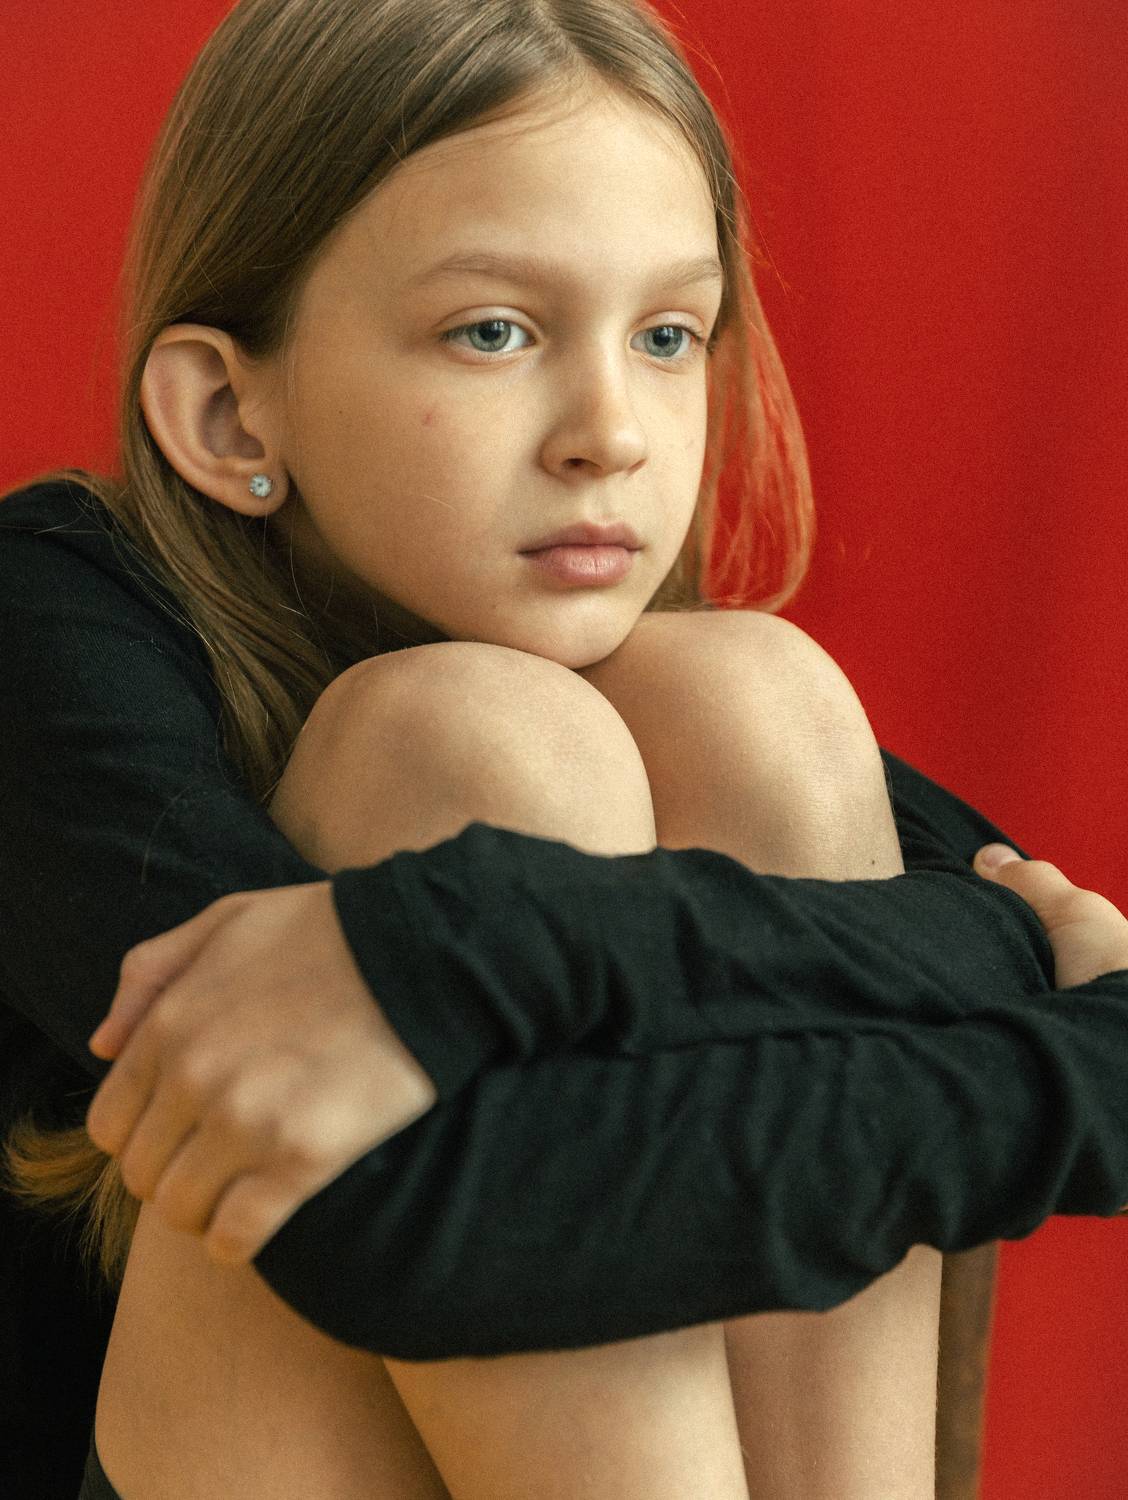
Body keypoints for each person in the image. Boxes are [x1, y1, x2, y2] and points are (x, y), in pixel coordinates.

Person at [2, 0, 1127, 1496]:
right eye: (494, 331)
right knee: (472, 738)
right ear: (226, 412)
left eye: (667, 336)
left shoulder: (716, 726)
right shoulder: (51, 617)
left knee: (752, 690)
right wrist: (992, 978)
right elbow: (421, 1221)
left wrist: (465, 945)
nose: (615, 431)